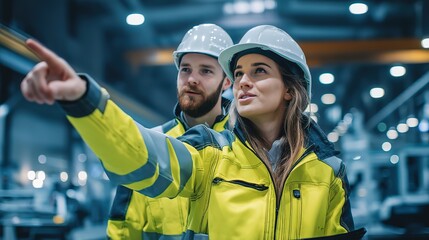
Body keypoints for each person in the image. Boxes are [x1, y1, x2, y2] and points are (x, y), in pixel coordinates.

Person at [21, 25, 366, 239]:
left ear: (290, 89)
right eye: (241, 72)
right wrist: (85, 100)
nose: (244, 80)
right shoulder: (211, 154)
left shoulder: (328, 171)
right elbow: (140, 157)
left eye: (259, 71)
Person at [106, 23, 233, 239]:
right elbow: (123, 229)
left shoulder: (246, 147)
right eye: (186, 69)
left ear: (227, 82)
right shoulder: (151, 146)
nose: (192, 79)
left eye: (206, 70)